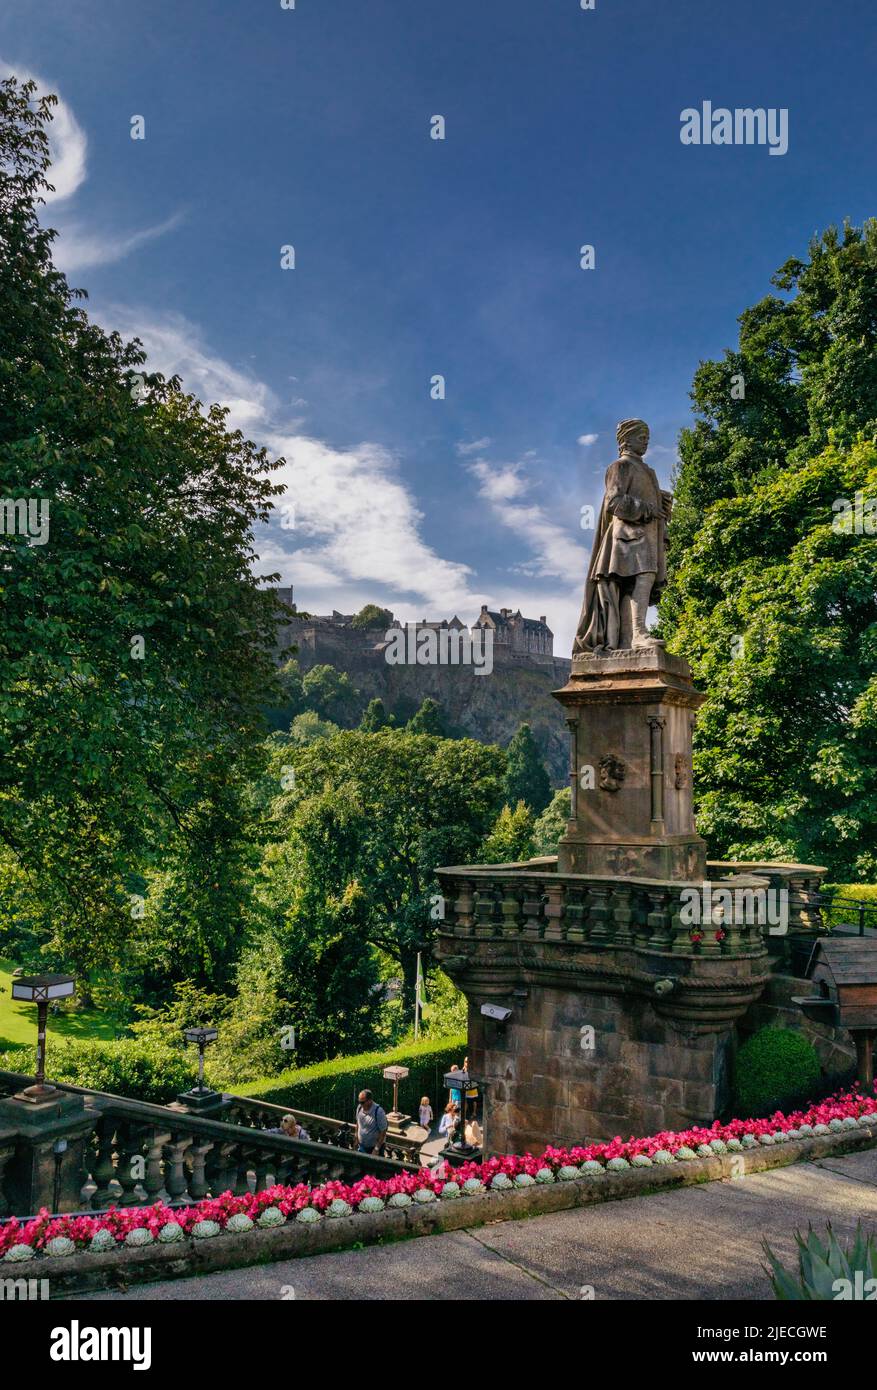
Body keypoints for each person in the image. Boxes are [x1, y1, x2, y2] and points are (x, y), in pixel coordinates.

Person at [355, 1089, 388, 1155]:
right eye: (359, 1102)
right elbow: (358, 1124)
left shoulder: (379, 1112)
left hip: (373, 1149)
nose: (360, 1104)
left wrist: (376, 1149)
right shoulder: (359, 1108)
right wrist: (356, 1138)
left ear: (370, 1101)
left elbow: (383, 1132)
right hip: (361, 1147)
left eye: (362, 1102)